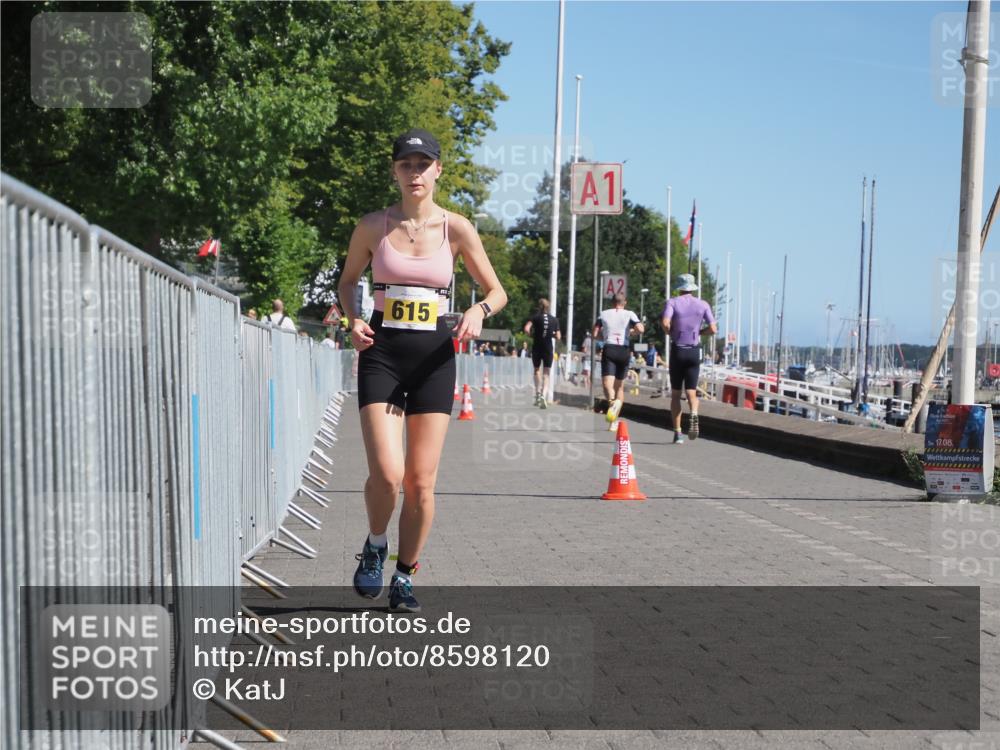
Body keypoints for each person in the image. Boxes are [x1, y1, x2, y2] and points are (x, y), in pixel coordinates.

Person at [337, 128, 507, 613]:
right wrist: (352, 319)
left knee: (420, 482)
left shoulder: (457, 229)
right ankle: (374, 544)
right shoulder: (372, 226)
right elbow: (348, 282)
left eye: (423, 164)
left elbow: (496, 291)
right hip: (382, 352)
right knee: (387, 475)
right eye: (406, 164)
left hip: (434, 358)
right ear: (394, 170)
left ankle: (405, 576)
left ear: (437, 171)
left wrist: (478, 313)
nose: (415, 172)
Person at [662, 273, 717, 444]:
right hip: (694, 351)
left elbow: (665, 322)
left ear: (679, 288)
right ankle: (693, 413)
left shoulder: (672, 302)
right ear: (693, 288)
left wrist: (670, 332)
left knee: (676, 394)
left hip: (678, 349)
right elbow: (714, 329)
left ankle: (678, 433)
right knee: (692, 392)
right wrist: (701, 332)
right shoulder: (703, 304)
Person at [594, 292, 644, 429]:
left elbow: (594, 334)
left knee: (607, 386)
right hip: (624, 350)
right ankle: (616, 410)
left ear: (612, 302)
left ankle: (613, 415)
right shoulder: (630, 314)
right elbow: (641, 328)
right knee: (619, 387)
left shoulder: (603, 314)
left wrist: (603, 337)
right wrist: (632, 333)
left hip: (609, 348)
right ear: (625, 302)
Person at [523, 298, 561, 409]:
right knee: (546, 373)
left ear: (539, 307)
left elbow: (526, 329)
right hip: (548, 347)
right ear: (548, 307)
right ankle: (544, 395)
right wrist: (551, 335)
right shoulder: (554, 320)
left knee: (536, 369)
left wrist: (532, 335)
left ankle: (537, 393)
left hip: (537, 346)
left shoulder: (535, 318)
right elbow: (558, 336)